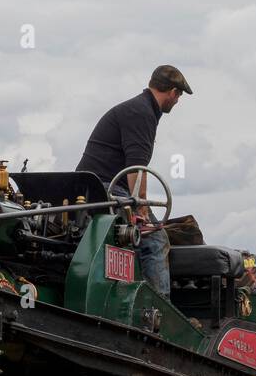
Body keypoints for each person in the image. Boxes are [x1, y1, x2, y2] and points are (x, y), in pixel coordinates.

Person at [75, 65, 193, 293]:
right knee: (155, 239)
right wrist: (142, 210)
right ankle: (159, 312)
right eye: (178, 96)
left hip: (91, 187)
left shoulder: (137, 108)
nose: (177, 101)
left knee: (141, 235)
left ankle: (131, 293)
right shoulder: (142, 112)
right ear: (172, 92)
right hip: (105, 189)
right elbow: (136, 168)